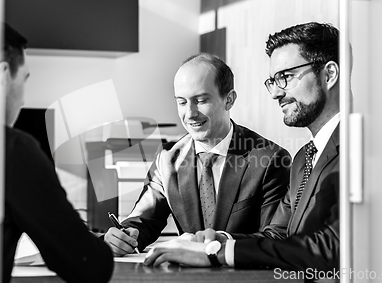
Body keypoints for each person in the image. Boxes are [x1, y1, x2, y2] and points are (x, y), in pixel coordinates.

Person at [144, 22, 342, 276]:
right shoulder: (304, 157)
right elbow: (281, 236)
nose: (275, 93)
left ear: (329, 74)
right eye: (273, 81)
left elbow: (334, 247)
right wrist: (219, 243)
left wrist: (216, 253)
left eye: (287, 77)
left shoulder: (364, 149)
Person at [104, 53, 291, 256]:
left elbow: (275, 237)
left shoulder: (270, 159)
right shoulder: (168, 158)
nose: (190, 114)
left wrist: (219, 243)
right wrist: (127, 235)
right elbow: (145, 218)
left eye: (200, 100)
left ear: (229, 100)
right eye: (182, 102)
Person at [0, 24, 113, 283]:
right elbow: (89, 266)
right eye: (24, 80)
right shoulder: (12, 149)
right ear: (3, 77)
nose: (22, 100)